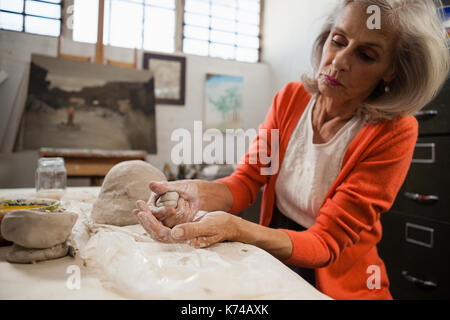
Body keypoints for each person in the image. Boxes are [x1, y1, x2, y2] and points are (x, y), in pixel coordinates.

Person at [134, 0, 449, 300]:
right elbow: (246, 180)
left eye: (365, 55)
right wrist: (196, 194)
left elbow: (324, 243)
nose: (339, 61)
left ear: (391, 71)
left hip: (337, 276)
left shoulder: (392, 132)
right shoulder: (291, 99)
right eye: (338, 41)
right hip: (276, 250)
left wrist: (235, 228)